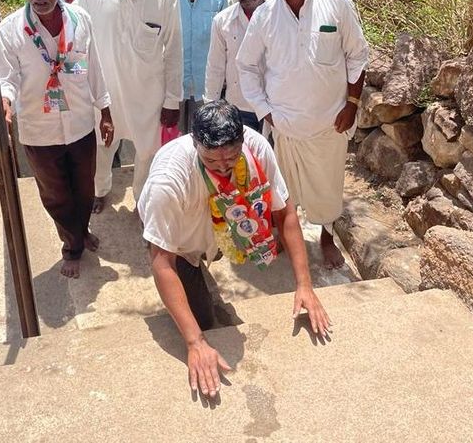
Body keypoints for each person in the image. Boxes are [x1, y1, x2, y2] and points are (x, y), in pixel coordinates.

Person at [139, 100, 330, 398]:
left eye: (231, 158)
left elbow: (285, 212)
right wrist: (195, 344)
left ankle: (211, 256)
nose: (224, 168)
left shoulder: (256, 148)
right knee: (202, 321)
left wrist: (305, 285)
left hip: (226, 226)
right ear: (194, 144)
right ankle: (198, 273)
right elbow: (161, 261)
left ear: (242, 140)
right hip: (181, 244)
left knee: (255, 243)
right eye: (212, 162)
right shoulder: (168, 182)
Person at [238, 0, 369, 270]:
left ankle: (326, 236)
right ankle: (286, 233)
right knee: (284, 190)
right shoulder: (265, 15)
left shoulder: (336, 4)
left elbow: (357, 56)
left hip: (330, 121)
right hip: (285, 124)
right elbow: (247, 65)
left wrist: (352, 103)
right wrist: (266, 113)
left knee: (327, 188)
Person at [0, 0, 114, 279]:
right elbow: (8, 77)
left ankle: (80, 230)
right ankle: (71, 247)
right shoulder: (11, 30)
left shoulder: (80, 19)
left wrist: (105, 110)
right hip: (39, 130)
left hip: (79, 124)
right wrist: (4, 101)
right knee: (56, 195)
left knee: (84, 188)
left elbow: (95, 67)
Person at [76, 0, 183, 213]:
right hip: (104, 91)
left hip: (148, 95)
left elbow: (174, 48)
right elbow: (79, 37)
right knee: (100, 146)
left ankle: (142, 199)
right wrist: (80, 87)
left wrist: (172, 99)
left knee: (148, 152)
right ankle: (100, 191)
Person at [160, 0, 227, 134]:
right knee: (169, 147)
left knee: (206, 143)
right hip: (169, 88)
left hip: (207, 85)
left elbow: (224, 31)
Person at [205, 0, 267, 133]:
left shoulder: (278, 17)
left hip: (273, 105)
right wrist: (211, 107)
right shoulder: (222, 21)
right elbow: (215, 67)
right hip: (238, 106)